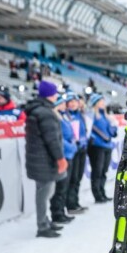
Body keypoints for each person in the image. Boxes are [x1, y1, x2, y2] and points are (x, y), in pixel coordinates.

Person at [24, 80, 68, 238]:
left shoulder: (40, 110)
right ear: (50, 94)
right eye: (55, 92)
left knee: (45, 192)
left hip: (40, 158)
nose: (57, 95)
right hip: (43, 160)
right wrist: (60, 158)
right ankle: (42, 226)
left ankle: (45, 221)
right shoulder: (45, 113)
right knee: (44, 194)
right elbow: (52, 140)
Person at [48, 95, 78, 224]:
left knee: (64, 186)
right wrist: (71, 147)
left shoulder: (63, 116)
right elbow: (59, 139)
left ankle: (61, 211)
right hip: (63, 156)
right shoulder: (56, 118)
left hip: (68, 155)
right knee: (60, 186)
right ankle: (57, 213)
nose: (65, 105)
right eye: (62, 103)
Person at [88, 93, 117, 203]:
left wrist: (112, 128)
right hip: (97, 147)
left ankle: (102, 192)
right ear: (95, 103)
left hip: (107, 146)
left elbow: (111, 131)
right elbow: (90, 130)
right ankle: (97, 194)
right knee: (97, 171)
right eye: (100, 101)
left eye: (103, 101)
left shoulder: (105, 115)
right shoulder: (93, 115)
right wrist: (100, 138)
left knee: (104, 171)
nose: (103, 103)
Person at [65, 92, 89, 213]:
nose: (73, 104)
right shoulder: (66, 116)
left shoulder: (81, 114)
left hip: (82, 150)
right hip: (73, 151)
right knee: (73, 178)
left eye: (75, 101)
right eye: (70, 102)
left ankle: (75, 202)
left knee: (78, 177)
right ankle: (70, 205)